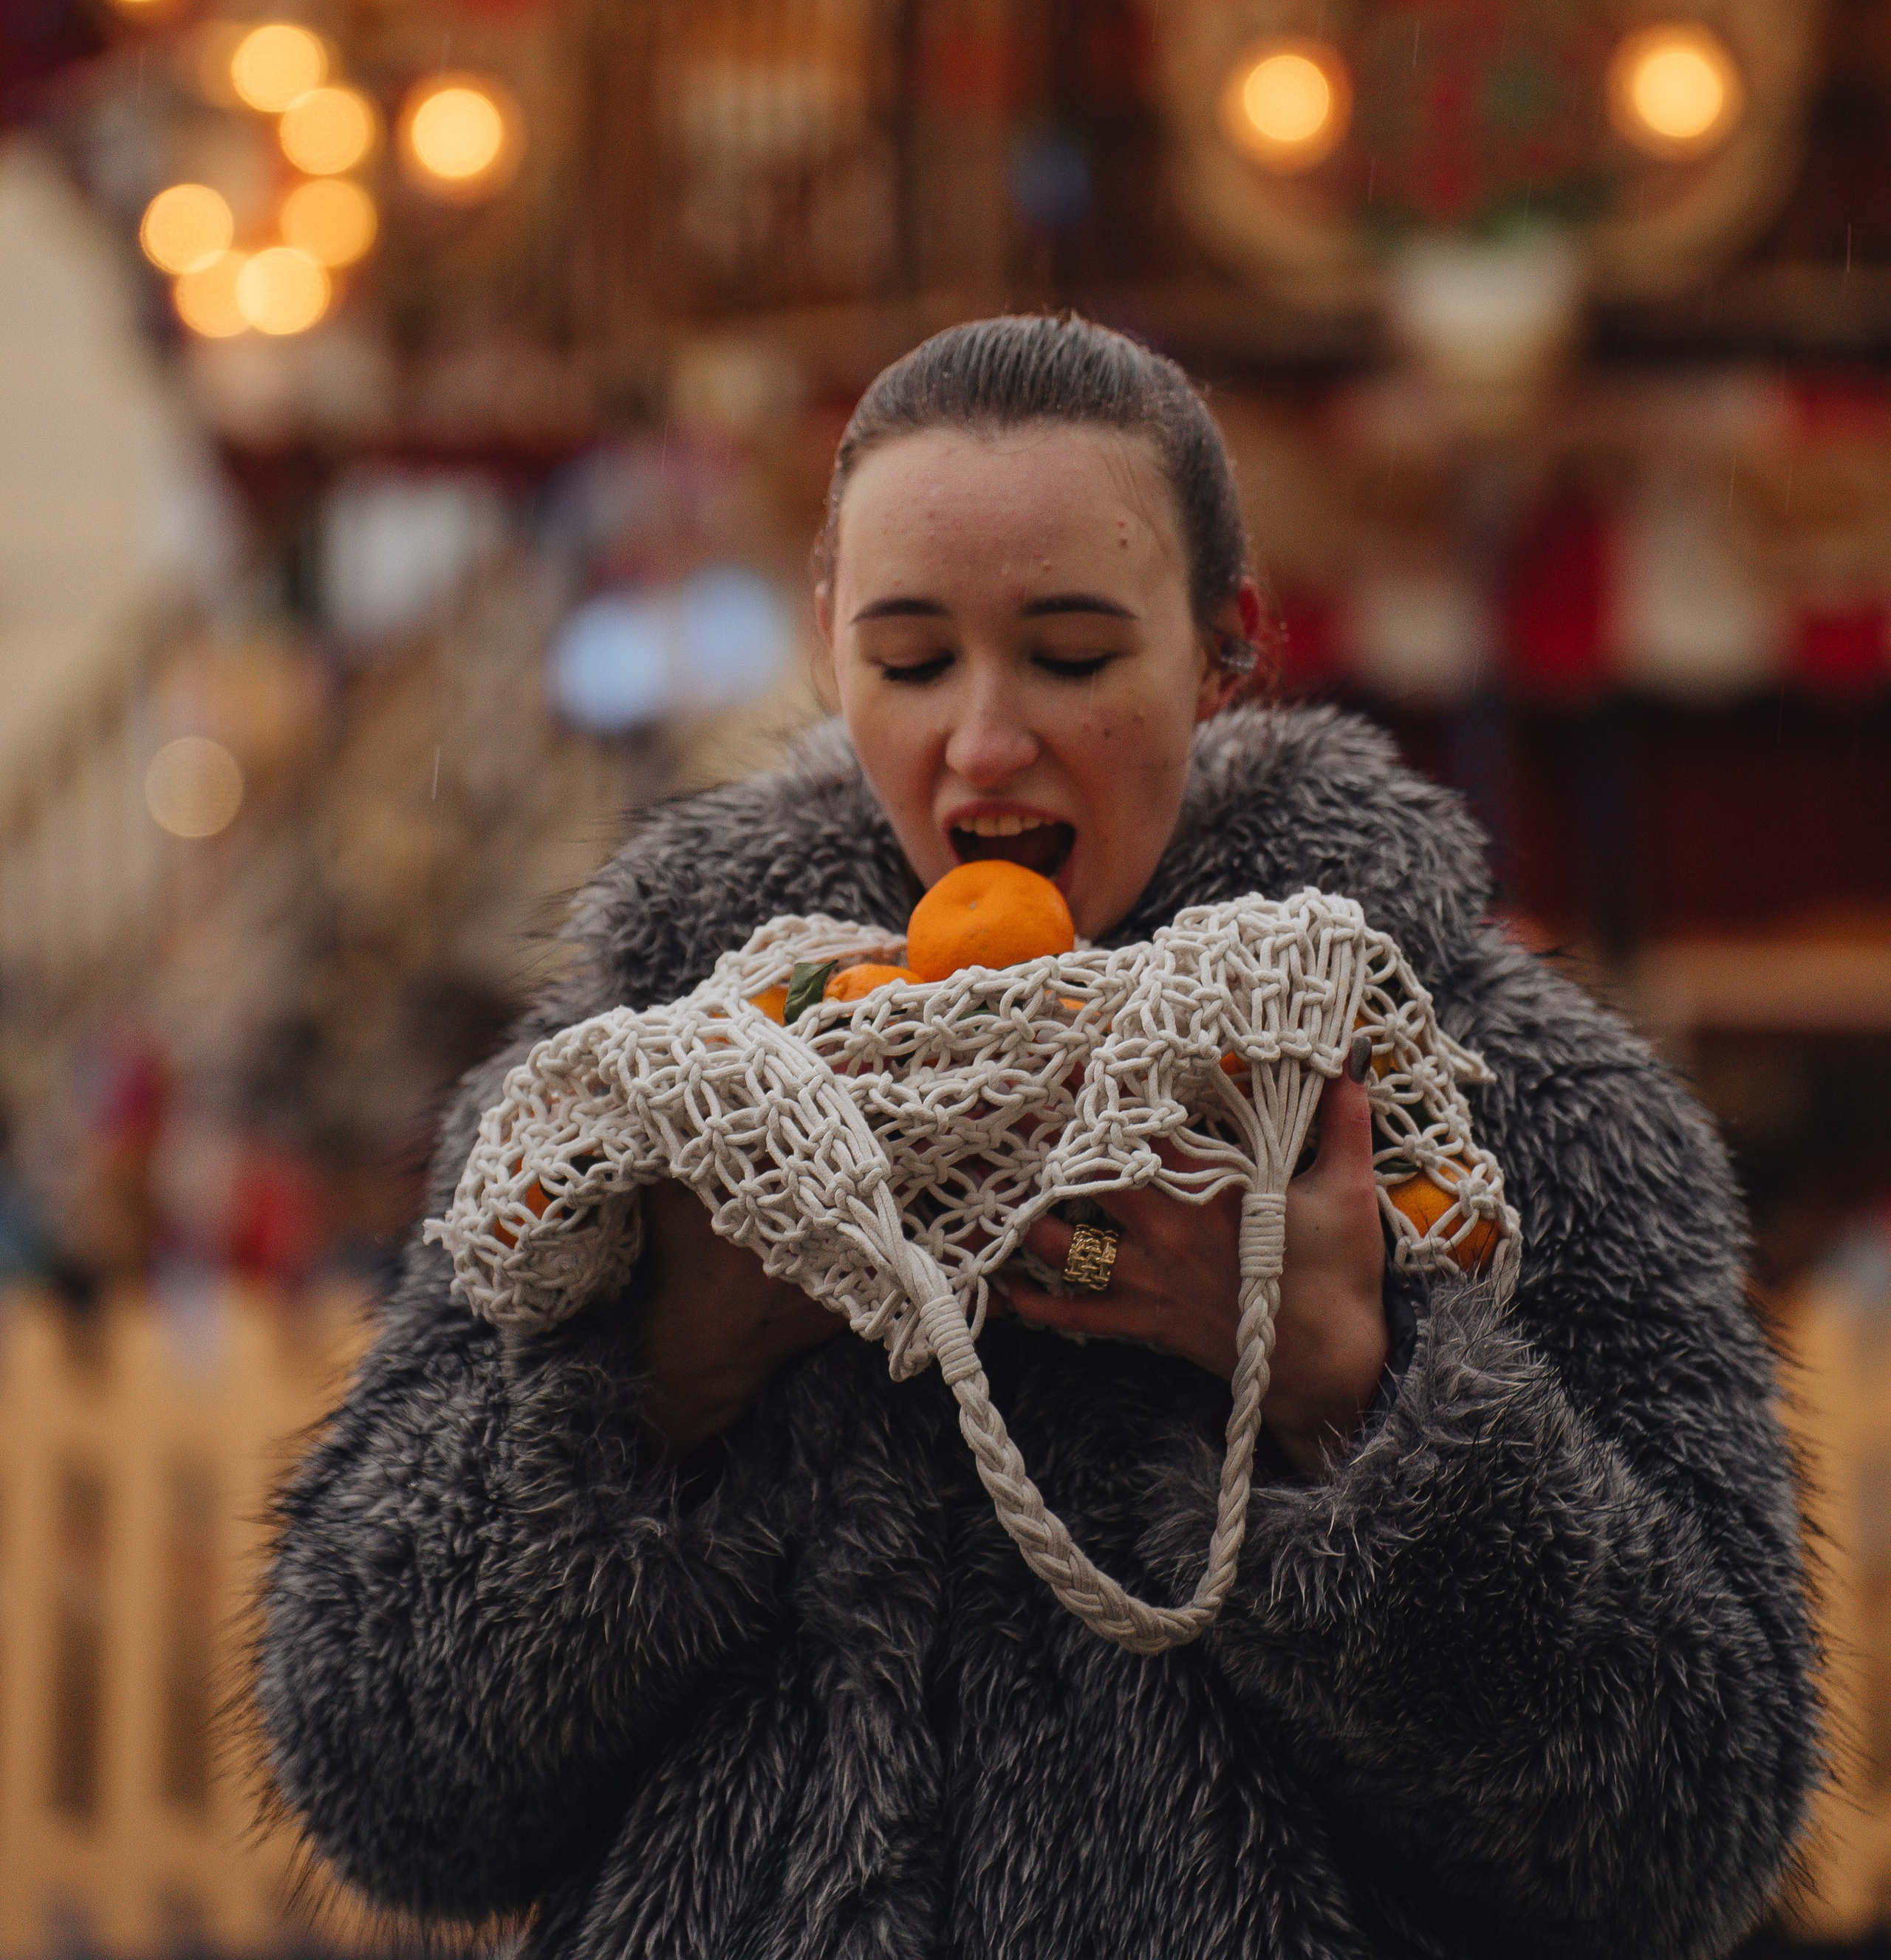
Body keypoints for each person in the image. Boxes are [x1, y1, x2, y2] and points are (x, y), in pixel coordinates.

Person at [259, 314, 1815, 1960]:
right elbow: (384, 1784)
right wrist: (670, 1378)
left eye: (1071, 658)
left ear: (1222, 650)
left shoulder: (1492, 1097)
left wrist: (1344, 1401)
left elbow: (1686, 1831)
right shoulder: (631, 1103)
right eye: (911, 662)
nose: (985, 743)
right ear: (827, 647)